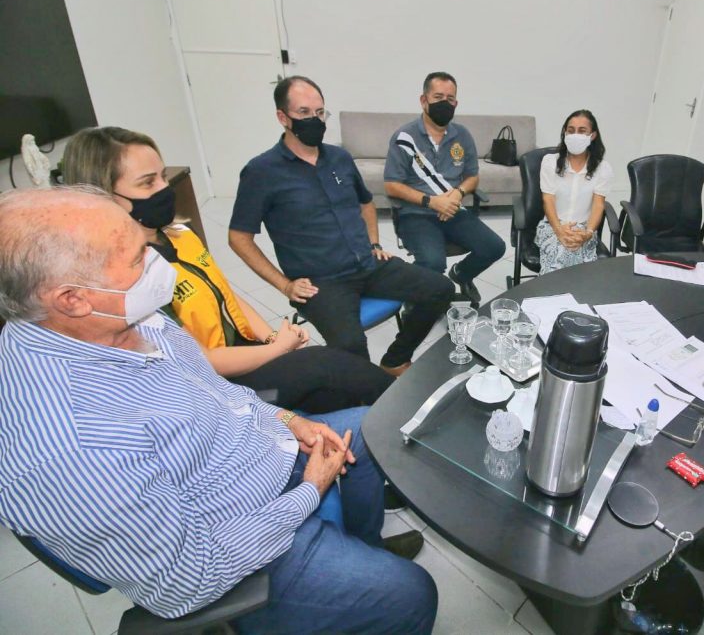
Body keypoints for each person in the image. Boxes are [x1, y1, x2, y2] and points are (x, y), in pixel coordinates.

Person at [0, 186, 437, 633]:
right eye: (137, 257)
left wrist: (288, 420)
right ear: (72, 299)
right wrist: (311, 489)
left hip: (257, 454)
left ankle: (363, 551)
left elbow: (221, 395)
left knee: (373, 427)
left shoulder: (121, 315)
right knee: (412, 594)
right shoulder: (70, 448)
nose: (157, 260)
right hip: (238, 545)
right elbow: (186, 580)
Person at [61, 126, 394, 413]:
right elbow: (197, 359)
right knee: (327, 364)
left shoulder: (180, 235)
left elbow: (224, 293)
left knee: (340, 392)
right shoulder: (124, 279)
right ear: (103, 197)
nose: (164, 188)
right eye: (148, 183)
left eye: (163, 176)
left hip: (248, 354)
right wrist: (277, 350)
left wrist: (271, 338)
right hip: (218, 385)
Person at [229, 76, 454, 377]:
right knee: (351, 346)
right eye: (304, 113)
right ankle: (367, 395)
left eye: (320, 112)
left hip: (367, 264)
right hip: (320, 281)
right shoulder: (261, 171)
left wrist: (374, 244)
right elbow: (238, 237)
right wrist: (285, 285)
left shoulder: (340, 158)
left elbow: (366, 203)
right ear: (283, 117)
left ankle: (395, 360)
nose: (315, 120)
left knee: (441, 289)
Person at [383, 71, 505, 305]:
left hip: (453, 211)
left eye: (450, 99)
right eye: (438, 97)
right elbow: (391, 185)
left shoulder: (462, 135)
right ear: (424, 100)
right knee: (433, 262)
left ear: (456, 103)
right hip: (417, 214)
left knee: (494, 247)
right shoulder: (404, 137)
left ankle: (461, 274)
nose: (444, 103)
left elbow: (472, 177)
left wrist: (458, 193)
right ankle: (418, 299)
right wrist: (431, 201)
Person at [535, 109, 613, 274]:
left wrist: (588, 233)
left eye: (582, 131)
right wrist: (559, 230)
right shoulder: (550, 162)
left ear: (592, 135)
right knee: (564, 252)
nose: (575, 135)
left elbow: (598, 205)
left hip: (584, 229)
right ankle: (561, 288)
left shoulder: (603, 168)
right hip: (553, 225)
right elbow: (548, 200)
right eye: (571, 130)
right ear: (565, 133)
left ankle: (556, 287)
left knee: (571, 252)